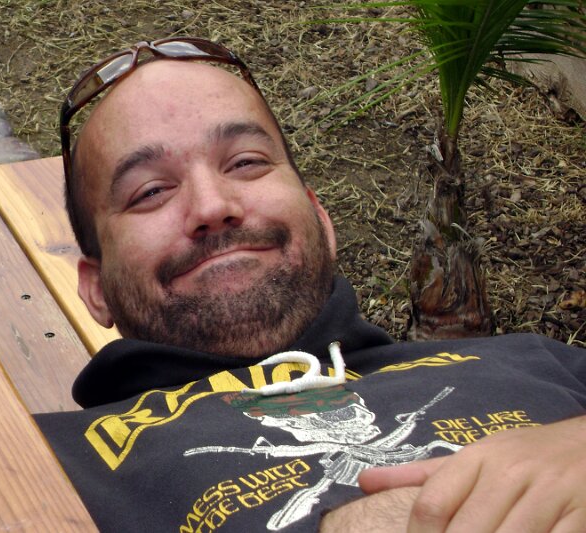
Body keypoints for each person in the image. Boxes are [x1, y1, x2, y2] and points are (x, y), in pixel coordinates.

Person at [34, 38, 586, 532]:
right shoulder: (42, 465)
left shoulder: (538, 362)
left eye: (246, 162)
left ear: (322, 221)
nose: (212, 206)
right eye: (150, 191)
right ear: (97, 288)